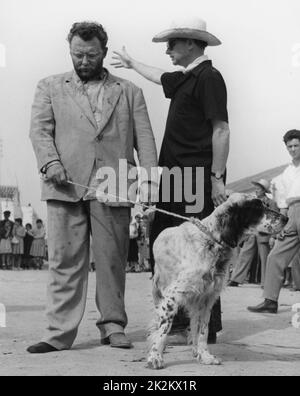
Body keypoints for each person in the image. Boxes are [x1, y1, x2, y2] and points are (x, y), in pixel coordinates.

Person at [28, 21, 158, 353]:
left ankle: (113, 325)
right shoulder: (49, 87)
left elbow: (145, 141)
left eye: (91, 55)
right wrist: (50, 163)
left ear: (103, 51)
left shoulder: (130, 91)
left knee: (112, 259)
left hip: (114, 185)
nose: (84, 61)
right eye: (78, 55)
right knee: (63, 261)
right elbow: (40, 132)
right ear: (69, 50)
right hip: (64, 186)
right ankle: (58, 332)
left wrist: (148, 181)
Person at [112, 16, 230, 343]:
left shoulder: (209, 78)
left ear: (190, 43)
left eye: (172, 44)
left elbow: (221, 129)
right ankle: (178, 322)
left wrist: (217, 178)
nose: (167, 50)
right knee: (168, 246)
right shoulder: (186, 78)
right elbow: (159, 76)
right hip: (176, 177)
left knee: (200, 253)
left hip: (197, 177)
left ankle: (205, 328)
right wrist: (133, 63)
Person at [248, 129, 300, 313]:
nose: (293, 149)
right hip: (292, 212)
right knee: (275, 255)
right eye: (290, 146)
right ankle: (270, 301)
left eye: (296, 145)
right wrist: (282, 225)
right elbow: (284, 201)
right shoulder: (287, 172)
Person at [228, 179, 278, 288]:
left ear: (264, 190)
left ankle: (266, 283)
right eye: (256, 187)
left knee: (265, 259)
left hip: (264, 234)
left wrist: (273, 236)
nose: (256, 189)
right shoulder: (252, 202)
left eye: (259, 188)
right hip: (251, 233)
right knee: (244, 255)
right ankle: (235, 279)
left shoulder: (271, 203)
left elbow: (274, 221)